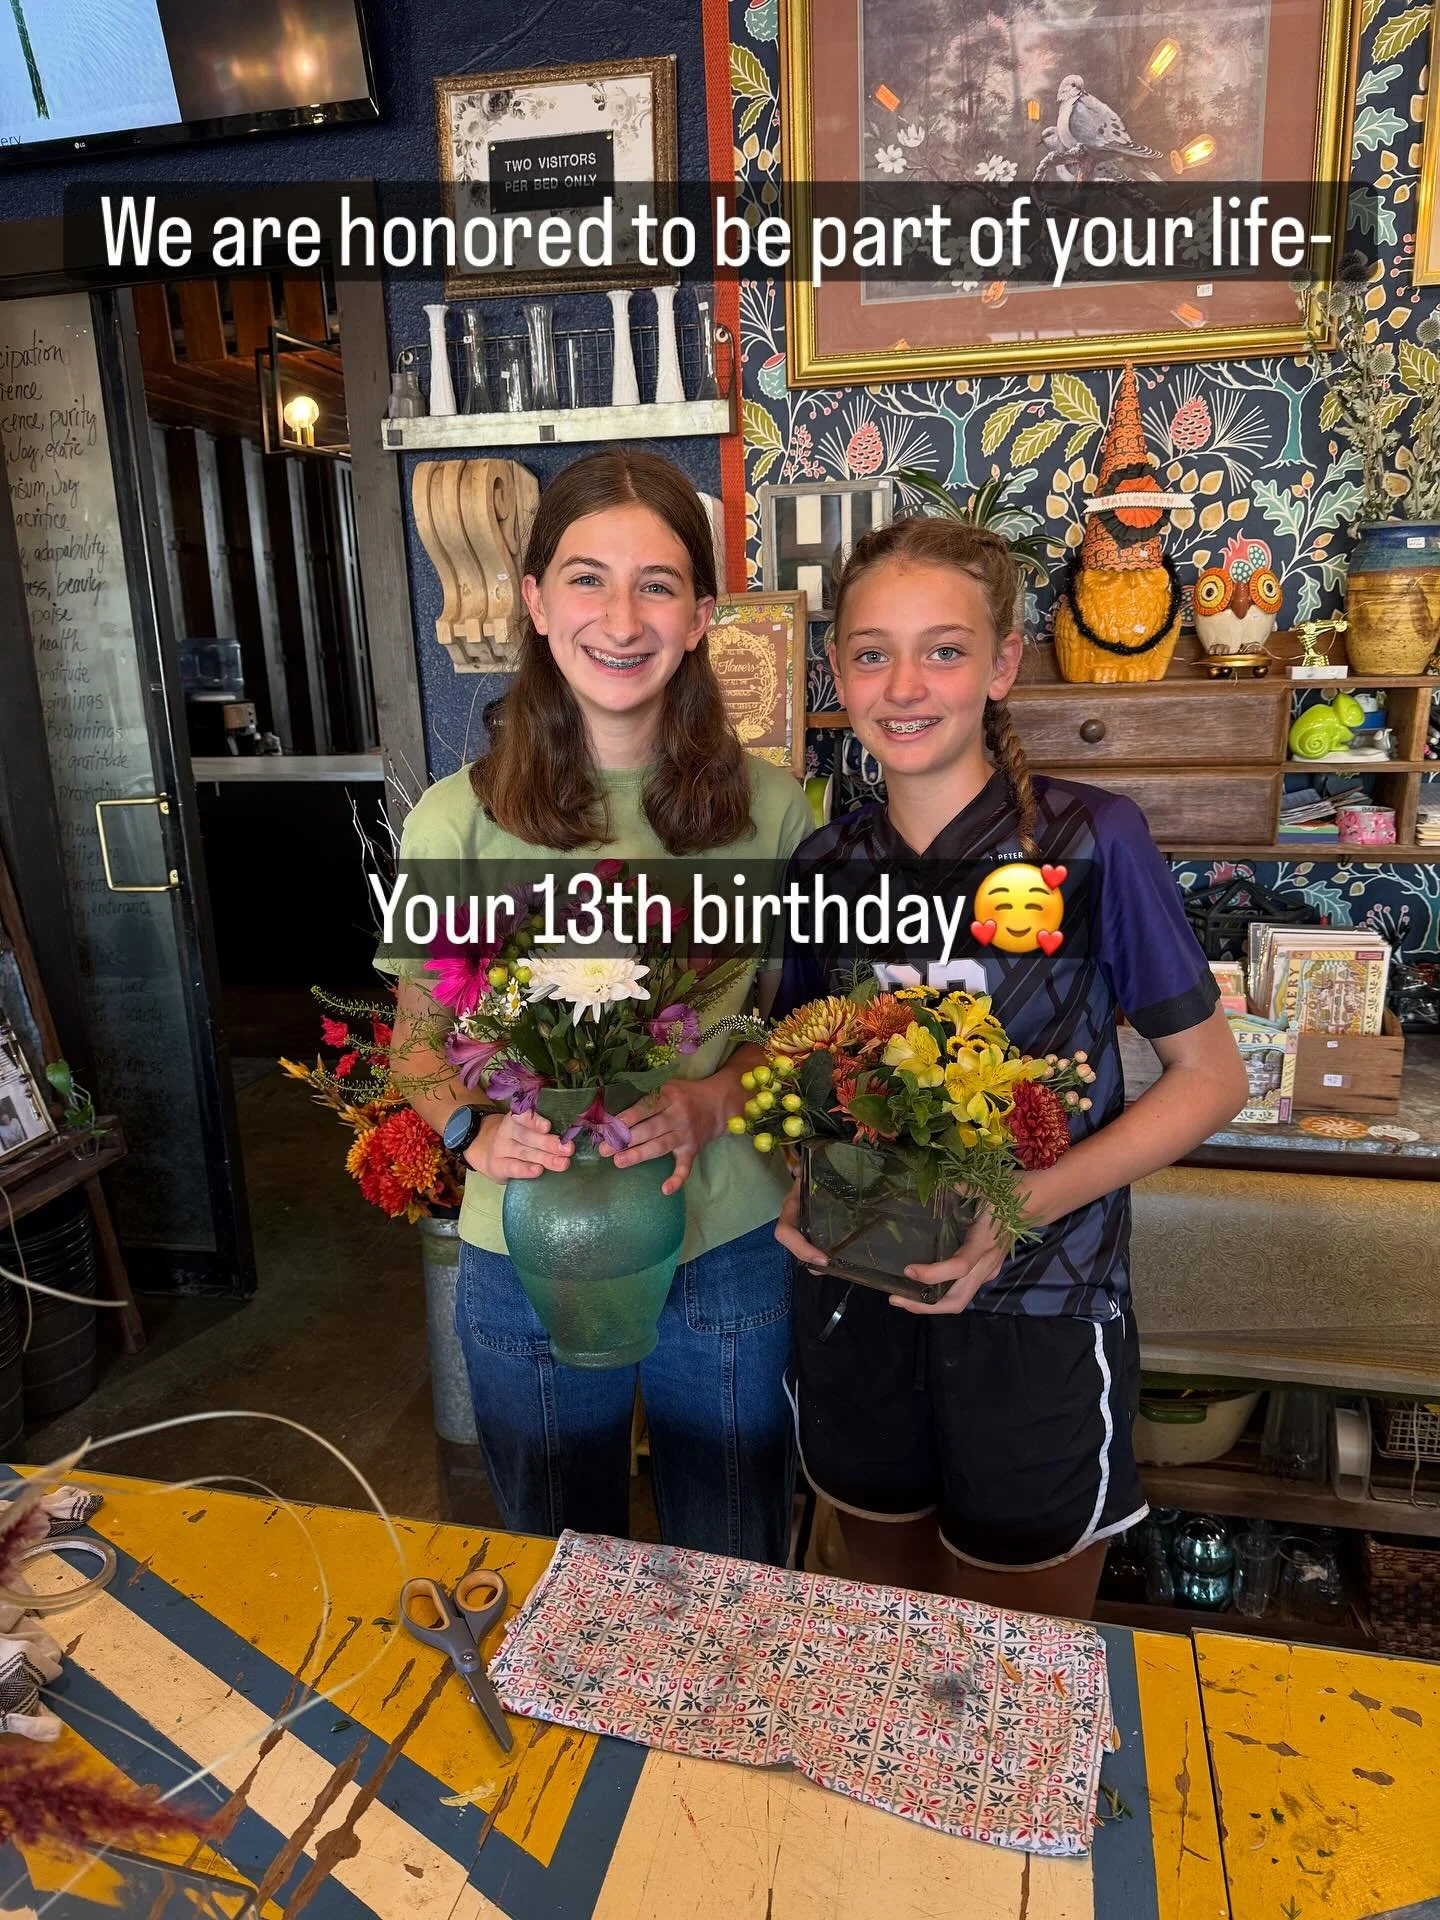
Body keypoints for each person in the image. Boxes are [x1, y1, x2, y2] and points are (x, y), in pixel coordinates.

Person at [776, 516, 1248, 1617]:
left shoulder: (1093, 842)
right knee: (887, 1629)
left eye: (943, 650)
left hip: (1042, 1304)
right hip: (860, 1296)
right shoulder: (825, 859)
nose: (904, 685)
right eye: (871, 651)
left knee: (1017, 1663)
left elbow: (1210, 1078)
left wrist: (1017, 1205)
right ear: (836, 670)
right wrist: (794, 1181)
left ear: (1000, 664)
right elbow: (796, 1070)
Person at [380, 450, 813, 1564]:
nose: (621, 618)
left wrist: (716, 1098)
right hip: (525, 1250)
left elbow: (812, 1033)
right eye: (585, 578)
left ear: (703, 614)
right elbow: (419, 1046)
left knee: (734, 1564)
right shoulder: (451, 821)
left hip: (721, 1244)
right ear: (531, 599)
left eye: (658, 583)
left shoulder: (774, 813)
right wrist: (474, 1128)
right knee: (558, 1562)